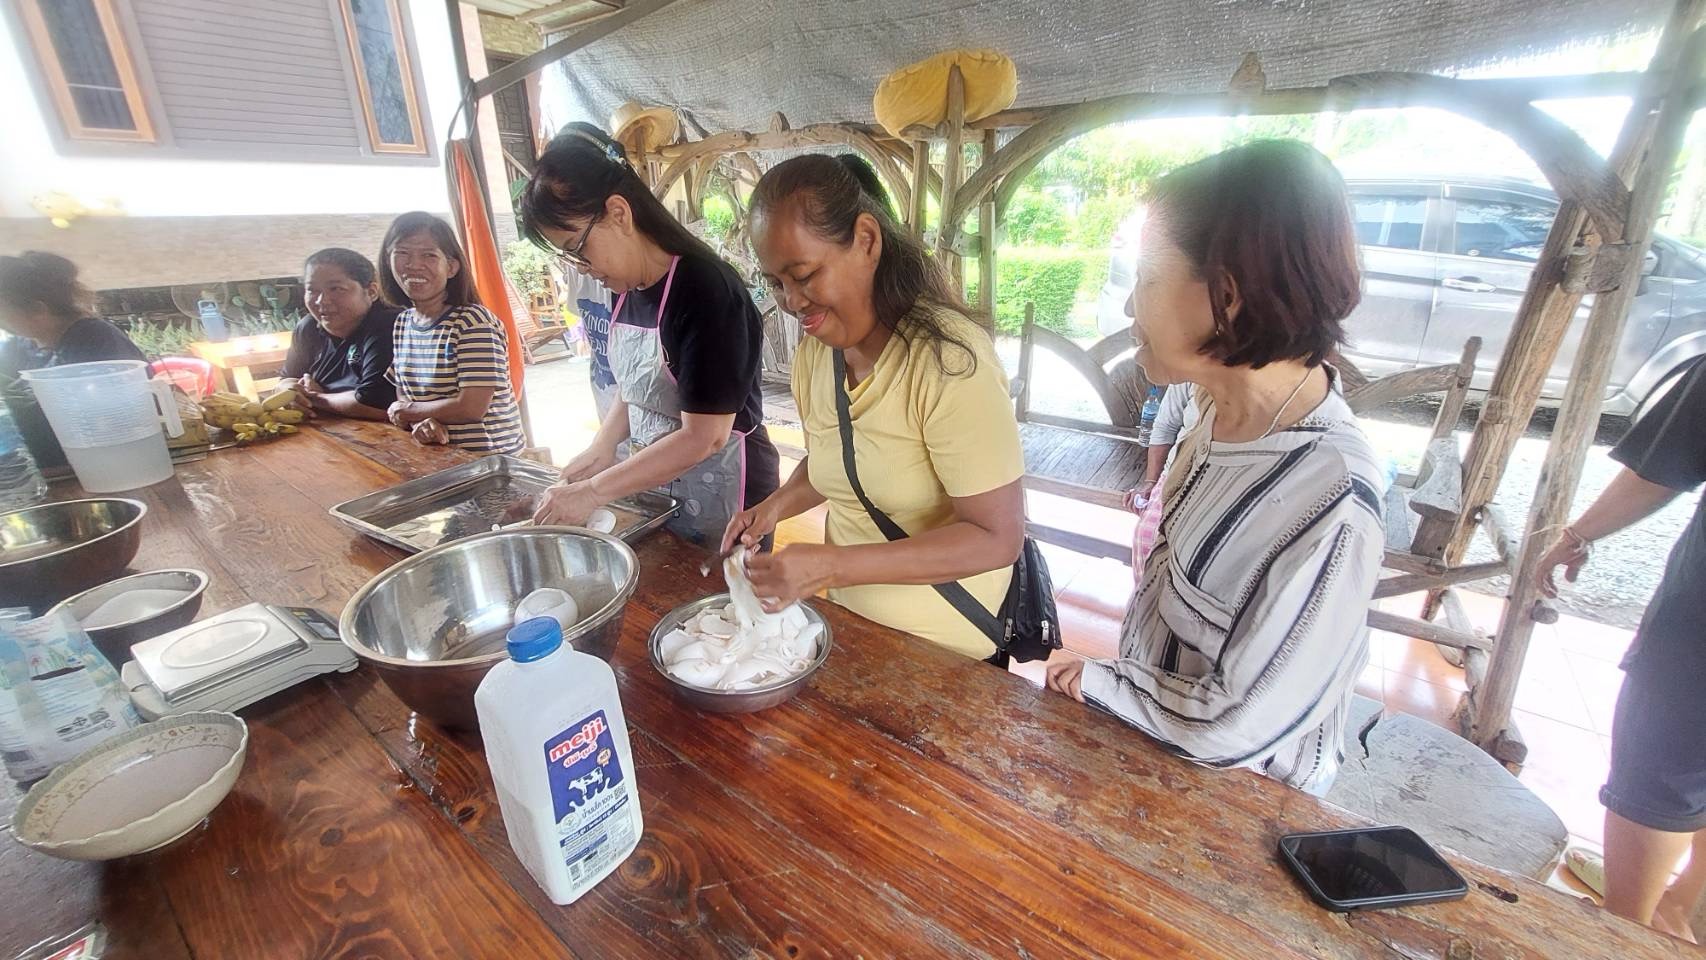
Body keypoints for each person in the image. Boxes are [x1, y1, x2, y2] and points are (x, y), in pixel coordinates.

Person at [1043, 141, 1384, 795]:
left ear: (1226, 292)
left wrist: (1102, 681)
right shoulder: (1207, 404)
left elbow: (1240, 723)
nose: (1128, 307)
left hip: (1239, 808)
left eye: (1145, 278)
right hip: (1153, 756)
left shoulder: (1331, 497)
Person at [724, 153, 1026, 661]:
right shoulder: (814, 356)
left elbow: (997, 538)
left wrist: (832, 565)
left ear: (866, 241)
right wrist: (770, 510)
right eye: (776, 283)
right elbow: (833, 463)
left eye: (805, 275)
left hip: (945, 652)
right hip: (842, 630)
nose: (792, 302)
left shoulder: (949, 361)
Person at [518, 126, 779, 546]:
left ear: (619, 213)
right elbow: (640, 385)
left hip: (727, 488)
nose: (582, 267)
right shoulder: (631, 289)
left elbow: (706, 436)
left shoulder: (704, 289)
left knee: (723, 603)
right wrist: (602, 448)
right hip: (663, 483)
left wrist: (593, 491)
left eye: (578, 248)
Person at [1536, 356, 1706, 942]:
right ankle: (1682, 903)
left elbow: (1660, 470)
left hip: (1697, 642)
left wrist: (1576, 535)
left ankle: (1626, 932)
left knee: (1658, 779)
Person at [379, 211, 525, 453]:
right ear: (388, 261)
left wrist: (409, 412)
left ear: (451, 267)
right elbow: (405, 394)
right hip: (440, 455)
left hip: (491, 460)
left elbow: (471, 407)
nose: (414, 265)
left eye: (428, 255)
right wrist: (422, 422)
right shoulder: (403, 323)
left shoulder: (472, 322)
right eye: (402, 253)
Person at [0, 252, 146, 469]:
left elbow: (120, 422)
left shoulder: (94, 342)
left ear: (38, 309)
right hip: (41, 470)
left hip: (103, 467)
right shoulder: (20, 346)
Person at [277, 247, 399, 421]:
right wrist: (289, 391)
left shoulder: (389, 326)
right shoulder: (308, 327)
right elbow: (287, 378)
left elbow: (376, 404)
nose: (321, 301)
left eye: (336, 289)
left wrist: (314, 398)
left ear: (372, 291)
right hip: (326, 434)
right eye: (312, 290)